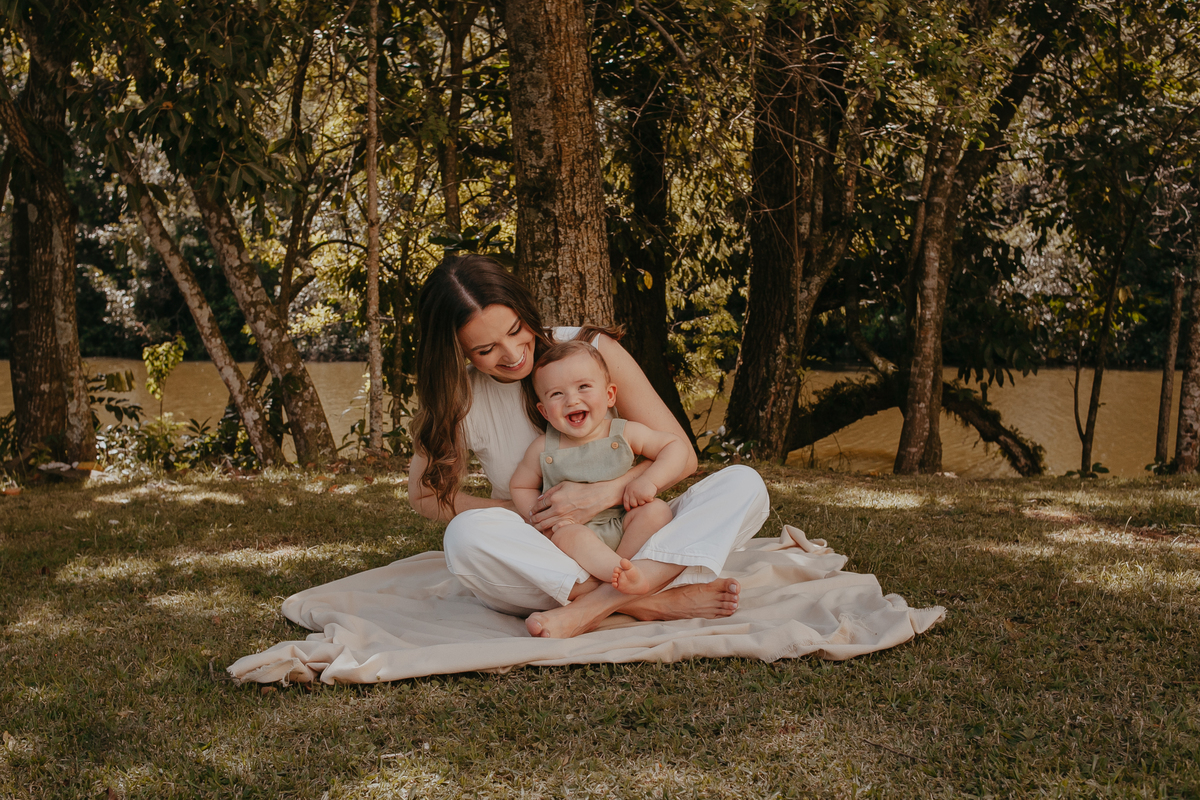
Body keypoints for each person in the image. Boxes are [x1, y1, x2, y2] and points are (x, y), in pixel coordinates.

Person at [408, 253, 770, 638]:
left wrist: (601, 494)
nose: (513, 355)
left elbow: (682, 455)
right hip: (548, 553)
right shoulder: (461, 397)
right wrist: (528, 512)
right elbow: (424, 495)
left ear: (524, 309)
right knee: (465, 538)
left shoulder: (588, 348)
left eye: (516, 330)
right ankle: (650, 601)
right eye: (485, 350)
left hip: (632, 530)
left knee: (743, 485)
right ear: (458, 352)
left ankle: (598, 605)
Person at [510, 341, 690, 596]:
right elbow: (520, 484)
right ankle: (617, 575)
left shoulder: (623, 432)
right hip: (574, 530)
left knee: (657, 511)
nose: (572, 400)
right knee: (568, 536)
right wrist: (540, 516)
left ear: (609, 395)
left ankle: (623, 571)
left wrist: (649, 480)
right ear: (545, 412)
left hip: (623, 520)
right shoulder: (543, 447)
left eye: (583, 386)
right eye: (556, 394)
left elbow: (675, 446)